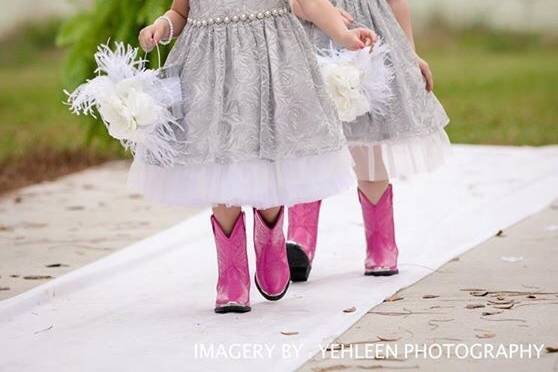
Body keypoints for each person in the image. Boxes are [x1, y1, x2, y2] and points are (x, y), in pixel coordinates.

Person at [135, 0, 375, 313]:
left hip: (269, 64)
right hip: (210, 71)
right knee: (218, 161)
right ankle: (232, 274)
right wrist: (162, 28)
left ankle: (271, 237)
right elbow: (181, 12)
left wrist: (344, 35)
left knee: (267, 158)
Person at [287, 0, 451, 281]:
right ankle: (300, 239)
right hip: (311, 34)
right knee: (310, 139)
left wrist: (409, 52)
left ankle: (381, 243)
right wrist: (300, 7)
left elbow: (397, 3)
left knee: (368, 140)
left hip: (368, 36)